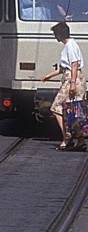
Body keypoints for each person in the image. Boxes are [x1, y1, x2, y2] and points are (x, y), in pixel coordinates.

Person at [41, 21, 84, 151]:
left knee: (56, 107)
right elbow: (63, 68)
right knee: (75, 110)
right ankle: (80, 141)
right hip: (72, 77)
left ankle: (67, 138)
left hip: (72, 79)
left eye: (55, 34)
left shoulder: (70, 46)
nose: (55, 37)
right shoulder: (69, 45)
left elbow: (74, 64)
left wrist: (72, 83)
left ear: (60, 34)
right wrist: (49, 75)